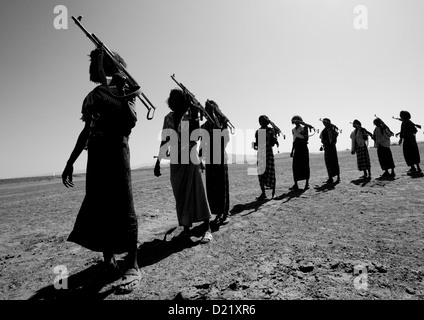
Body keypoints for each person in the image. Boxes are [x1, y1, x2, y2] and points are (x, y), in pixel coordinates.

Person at [61, 48, 141, 293]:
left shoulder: (127, 90)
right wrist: (70, 161)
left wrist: (118, 91)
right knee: (100, 204)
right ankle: (108, 259)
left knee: (124, 205)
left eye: (102, 63)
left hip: (117, 150)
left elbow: (130, 121)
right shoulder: (93, 96)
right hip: (96, 153)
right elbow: (87, 130)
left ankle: (133, 264)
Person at [154, 88, 213, 243]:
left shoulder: (191, 114)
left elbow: (197, 134)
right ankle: (186, 229)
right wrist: (158, 161)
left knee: (197, 190)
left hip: (191, 155)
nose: (173, 101)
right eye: (171, 98)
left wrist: (194, 113)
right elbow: (164, 140)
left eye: (177, 98)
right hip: (176, 159)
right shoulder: (168, 118)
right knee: (180, 194)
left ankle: (207, 228)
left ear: (183, 100)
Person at [200, 100, 231, 225]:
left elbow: (225, 140)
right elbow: (202, 144)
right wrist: (200, 158)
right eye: (206, 111)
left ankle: (225, 213)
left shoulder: (223, 123)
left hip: (221, 159)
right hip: (209, 160)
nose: (207, 113)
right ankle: (217, 212)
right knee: (212, 188)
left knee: (222, 187)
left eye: (210, 110)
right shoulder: (204, 126)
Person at [253, 115, 278, 200]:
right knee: (261, 173)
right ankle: (264, 193)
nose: (261, 122)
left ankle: (273, 194)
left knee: (270, 171)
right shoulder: (258, 131)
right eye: (261, 120)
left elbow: (272, 143)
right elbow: (257, 144)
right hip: (262, 153)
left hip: (267, 152)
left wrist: (272, 137)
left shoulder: (270, 130)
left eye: (263, 120)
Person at [290, 115, 311, 191]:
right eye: (294, 120)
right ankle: (296, 184)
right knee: (295, 166)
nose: (295, 122)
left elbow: (306, 138)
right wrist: (292, 151)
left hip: (303, 148)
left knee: (305, 164)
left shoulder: (304, 128)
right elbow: (294, 140)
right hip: (297, 149)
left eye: (297, 120)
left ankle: (307, 183)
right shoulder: (293, 130)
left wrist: (302, 135)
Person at [319, 118, 340, 184]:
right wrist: (323, 145)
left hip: (332, 148)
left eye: (325, 123)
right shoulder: (323, 131)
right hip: (327, 148)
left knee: (334, 162)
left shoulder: (333, 129)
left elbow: (336, 134)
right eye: (323, 123)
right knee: (328, 163)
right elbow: (322, 140)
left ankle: (338, 177)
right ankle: (330, 178)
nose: (324, 124)